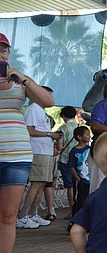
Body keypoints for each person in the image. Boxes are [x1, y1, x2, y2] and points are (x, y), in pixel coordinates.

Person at [0, 32, 57, 253]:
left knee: (8, 216)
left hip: (17, 156)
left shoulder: (20, 81)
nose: (0, 55)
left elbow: (48, 101)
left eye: (3, 50)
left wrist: (21, 78)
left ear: (9, 53)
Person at [16, 86, 63, 228]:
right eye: (47, 95)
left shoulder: (42, 111)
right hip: (38, 151)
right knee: (36, 183)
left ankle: (33, 214)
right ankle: (22, 215)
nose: (50, 99)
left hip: (46, 152)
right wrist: (49, 134)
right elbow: (29, 130)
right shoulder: (33, 109)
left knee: (42, 184)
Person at [57, 106, 80, 214]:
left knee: (70, 186)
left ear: (63, 116)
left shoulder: (62, 128)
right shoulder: (80, 127)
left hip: (65, 160)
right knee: (79, 185)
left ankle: (72, 210)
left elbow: (59, 147)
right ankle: (80, 208)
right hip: (79, 160)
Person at [68, 126, 91, 216]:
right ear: (79, 137)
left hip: (90, 179)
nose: (89, 136)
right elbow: (71, 166)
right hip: (80, 180)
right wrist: (78, 179)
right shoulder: (74, 151)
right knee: (79, 200)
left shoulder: (90, 149)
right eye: (87, 134)